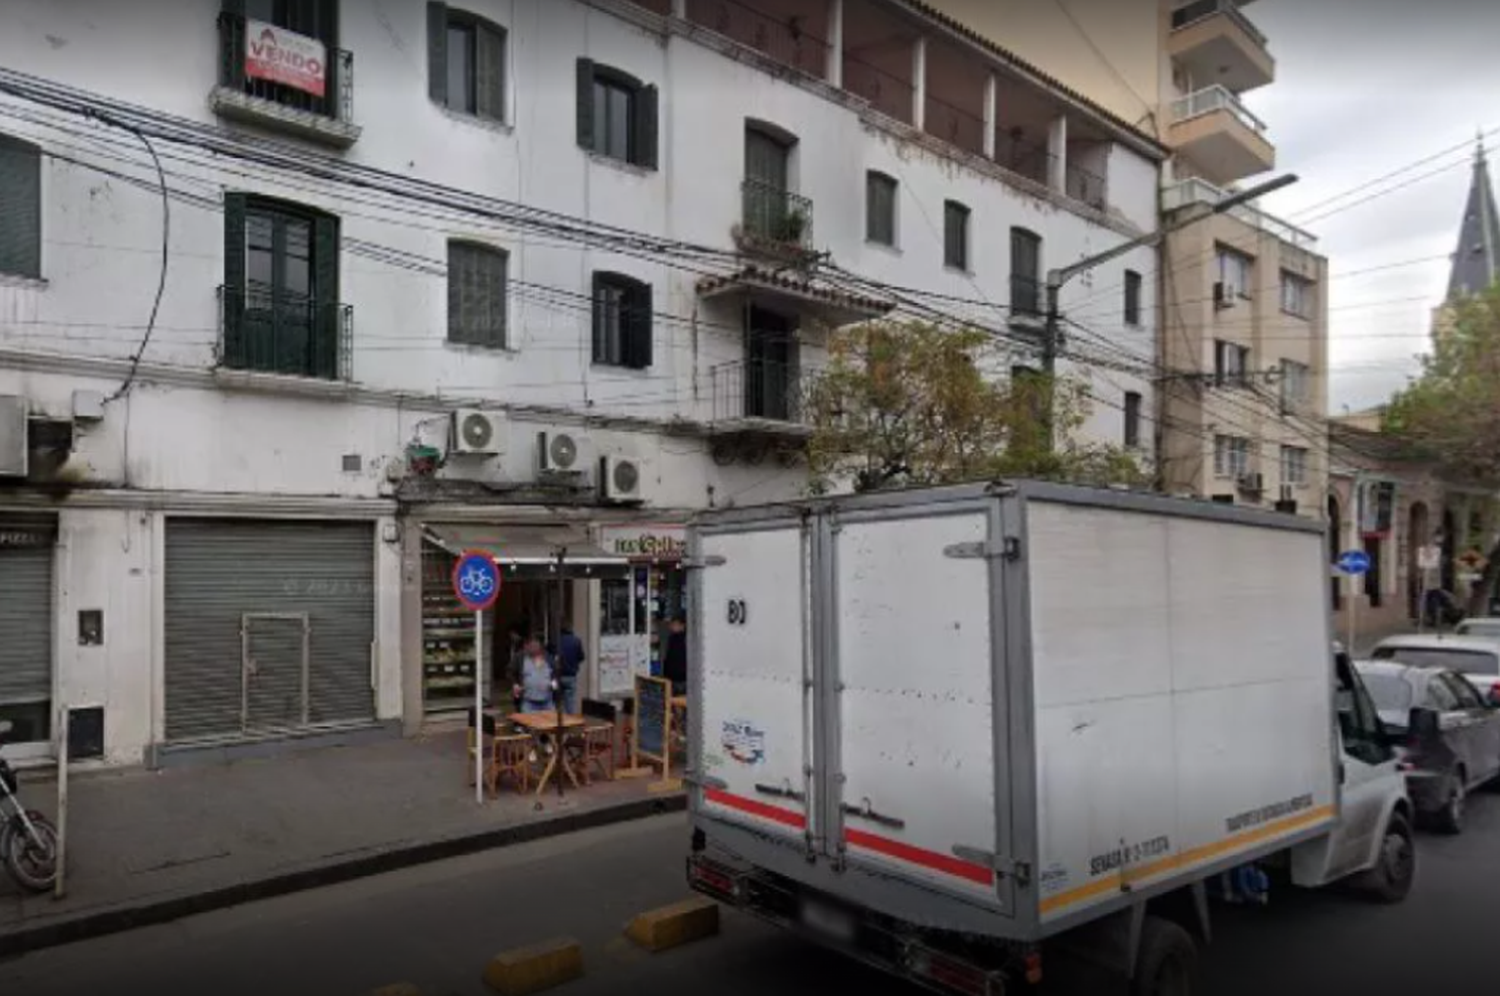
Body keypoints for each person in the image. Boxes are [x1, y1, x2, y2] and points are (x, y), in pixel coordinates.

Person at [515, 636, 556, 714]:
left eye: (536, 646)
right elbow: (511, 672)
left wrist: (553, 685)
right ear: (527, 647)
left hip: (547, 702)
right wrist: (516, 685)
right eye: (531, 646)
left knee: (549, 724)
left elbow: (555, 675)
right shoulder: (520, 659)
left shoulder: (548, 658)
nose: (534, 649)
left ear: (540, 647)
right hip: (528, 702)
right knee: (528, 724)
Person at [556, 622, 586, 715]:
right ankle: (569, 720)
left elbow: (552, 657)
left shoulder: (557, 641)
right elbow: (581, 657)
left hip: (558, 676)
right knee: (570, 701)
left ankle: (558, 718)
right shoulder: (576, 641)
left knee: (557, 699)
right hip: (571, 676)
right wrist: (574, 664)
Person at [663, 614, 688, 695]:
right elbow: (669, 657)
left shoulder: (687, 639)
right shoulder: (672, 638)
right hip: (672, 678)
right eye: (672, 624)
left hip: (682, 678)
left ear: (682, 626)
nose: (672, 626)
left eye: (675, 624)